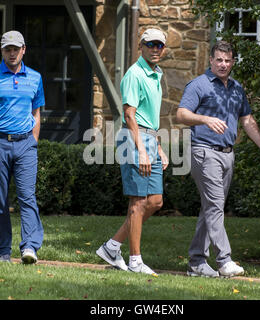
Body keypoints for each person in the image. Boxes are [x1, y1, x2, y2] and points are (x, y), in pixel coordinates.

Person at [176, 41, 260, 277]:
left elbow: (247, 120)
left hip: (227, 154)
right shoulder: (199, 85)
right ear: (211, 60)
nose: (223, 64)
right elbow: (181, 114)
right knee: (215, 206)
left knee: (211, 208)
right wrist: (205, 119)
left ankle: (197, 262)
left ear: (233, 62)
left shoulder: (237, 88)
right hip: (204, 151)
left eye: (228, 60)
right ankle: (224, 260)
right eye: (219, 60)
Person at [96, 28, 169, 275]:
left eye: (159, 45)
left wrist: (158, 147)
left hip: (150, 139)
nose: (155, 49)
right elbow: (129, 115)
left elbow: (148, 117)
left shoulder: (156, 74)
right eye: (151, 45)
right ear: (141, 46)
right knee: (138, 203)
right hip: (134, 141)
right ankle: (135, 261)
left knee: (155, 201)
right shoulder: (134, 74)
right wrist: (142, 150)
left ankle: (112, 246)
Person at [0, 30, 45, 264]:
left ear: (24, 50)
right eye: (7, 49)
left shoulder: (35, 77)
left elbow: (36, 113)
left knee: (27, 197)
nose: (12, 53)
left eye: (16, 49)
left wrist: (32, 141)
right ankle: (3, 250)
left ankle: (30, 247)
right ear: (2, 51)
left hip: (25, 145)